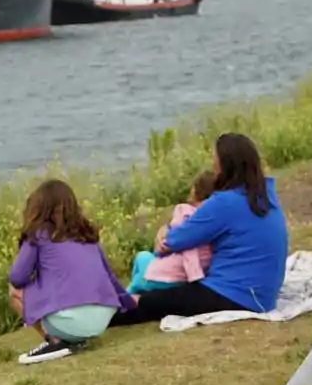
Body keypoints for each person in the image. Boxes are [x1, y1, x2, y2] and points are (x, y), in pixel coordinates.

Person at [109, 133, 288, 327]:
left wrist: (164, 231)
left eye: (215, 159)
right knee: (166, 294)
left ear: (225, 166)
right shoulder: (266, 194)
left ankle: (98, 317)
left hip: (234, 294)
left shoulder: (224, 203)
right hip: (263, 295)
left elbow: (174, 241)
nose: (213, 165)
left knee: (151, 301)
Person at [7, 179, 136, 365]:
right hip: (102, 319)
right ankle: (76, 339)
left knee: (13, 291)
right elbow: (109, 275)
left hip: (71, 320)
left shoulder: (39, 234)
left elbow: (17, 278)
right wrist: (126, 302)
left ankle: (54, 341)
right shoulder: (86, 234)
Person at [127, 170, 216, 294]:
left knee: (142, 258)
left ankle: (128, 295)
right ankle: (133, 291)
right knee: (143, 268)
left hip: (168, 277)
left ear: (195, 191)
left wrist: (195, 279)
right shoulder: (215, 219)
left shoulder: (186, 213)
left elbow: (188, 245)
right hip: (180, 276)